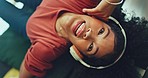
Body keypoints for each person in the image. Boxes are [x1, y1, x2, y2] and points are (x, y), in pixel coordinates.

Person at [19, 0, 148, 78]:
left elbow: (26, 72)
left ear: (77, 52)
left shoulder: (46, 49)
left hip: (26, 23)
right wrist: (111, 2)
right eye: (101, 31)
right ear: (101, 18)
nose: (88, 35)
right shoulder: (86, 2)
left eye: (91, 47)